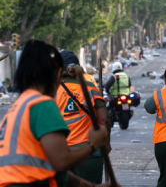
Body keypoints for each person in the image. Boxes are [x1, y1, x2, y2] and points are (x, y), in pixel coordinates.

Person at [0, 40, 112, 187]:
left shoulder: (18, 107)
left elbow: (58, 171)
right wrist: (93, 144)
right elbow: (61, 162)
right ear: (57, 74)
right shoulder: (43, 105)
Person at [55, 50, 112, 183]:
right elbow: (105, 120)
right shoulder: (91, 88)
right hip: (89, 152)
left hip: (62, 153)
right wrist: (106, 143)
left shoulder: (53, 92)